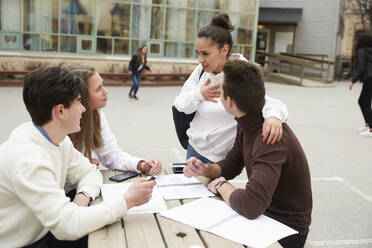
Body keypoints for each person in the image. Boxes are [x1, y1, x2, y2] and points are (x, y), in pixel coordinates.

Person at [0, 67, 156, 248]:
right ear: (60, 111)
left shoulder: (56, 139)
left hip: (45, 231)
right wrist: (126, 201)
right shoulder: (29, 160)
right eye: (79, 102)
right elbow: (67, 226)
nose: (84, 109)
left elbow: (90, 171)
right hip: (26, 243)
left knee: (109, 231)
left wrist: (84, 195)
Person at [183, 60, 312, 248]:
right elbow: (231, 164)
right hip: (264, 217)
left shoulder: (269, 138)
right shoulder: (248, 121)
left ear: (229, 102)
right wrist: (205, 169)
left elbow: (251, 205)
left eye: (221, 91)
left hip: (286, 230)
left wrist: (222, 185)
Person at [173, 13, 288, 164]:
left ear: (225, 50)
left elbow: (267, 101)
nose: (200, 59)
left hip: (218, 159)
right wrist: (198, 94)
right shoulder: (201, 71)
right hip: (193, 148)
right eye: (198, 53)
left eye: (206, 53)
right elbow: (180, 104)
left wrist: (273, 116)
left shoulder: (240, 73)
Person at [67, 65, 162, 177]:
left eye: (103, 85)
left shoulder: (96, 114)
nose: (105, 91)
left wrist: (141, 165)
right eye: (98, 89)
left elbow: (110, 155)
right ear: (82, 96)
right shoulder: (61, 125)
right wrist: (83, 166)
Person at [349, 34, 372, 137]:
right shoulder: (369, 51)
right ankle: (367, 124)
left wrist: (353, 81)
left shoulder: (361, 52)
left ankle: (371, 128)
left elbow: (361, 68)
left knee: (366, 103)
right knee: (362, 101)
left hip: (369, 79)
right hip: (369, 78)